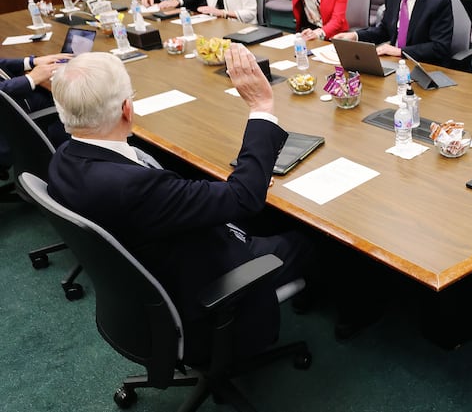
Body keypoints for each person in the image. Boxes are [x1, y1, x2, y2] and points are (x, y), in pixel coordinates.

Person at [47, 46, 310, 364]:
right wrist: (261, 106)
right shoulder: (134, 188)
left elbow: (167, 197)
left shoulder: (63, 159)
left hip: (154, 270)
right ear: (127, 109)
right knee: (306, 239)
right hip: (204, 286)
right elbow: (244, 199)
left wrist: (234, 182)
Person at [1, 53, 71, 168]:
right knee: (69, 102)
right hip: (9, 129)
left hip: (18, 103)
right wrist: (31, 78)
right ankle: (66, 161)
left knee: (51, 91)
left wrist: (31, 62)